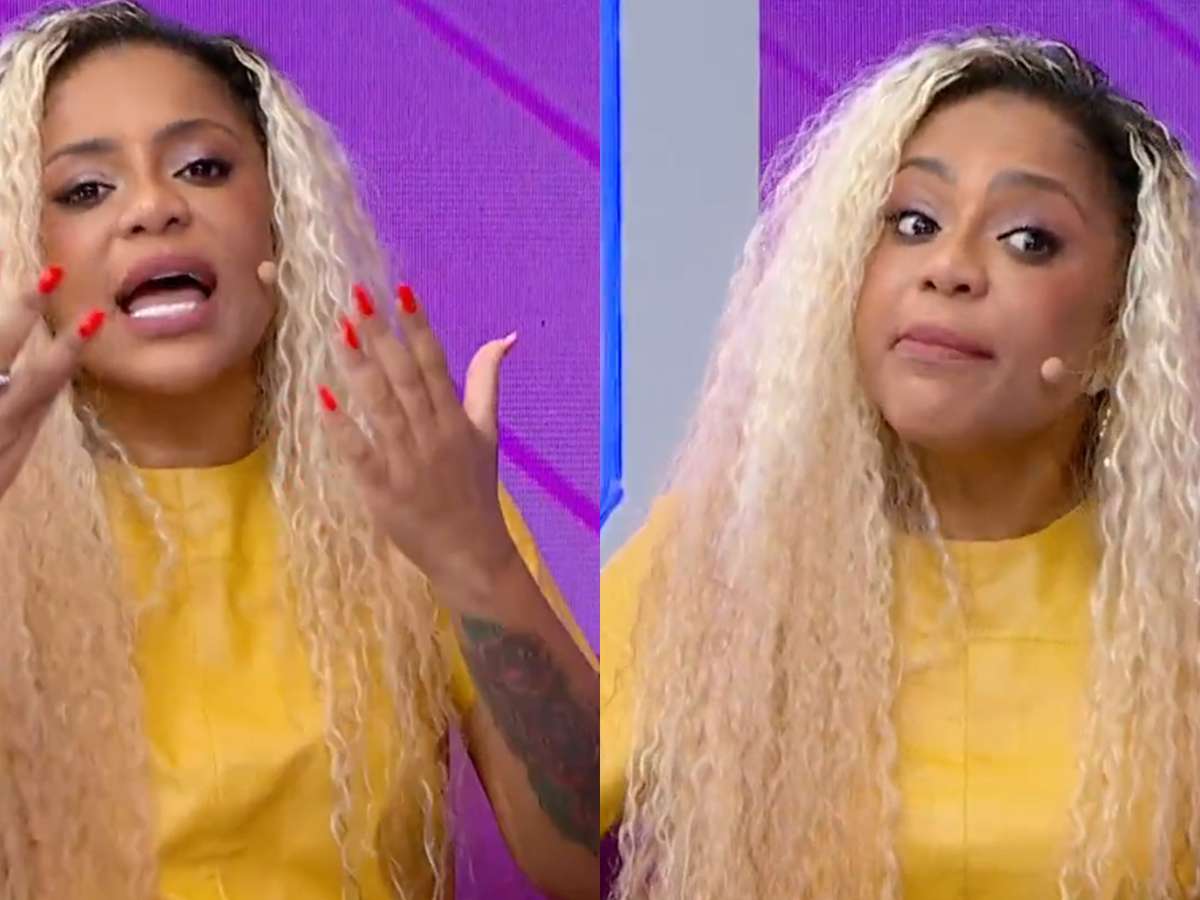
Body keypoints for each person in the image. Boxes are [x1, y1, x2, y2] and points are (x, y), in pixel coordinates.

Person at [0, 3, 599, 899]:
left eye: (203, 168)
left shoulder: (410, 494)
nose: (155, 207)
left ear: (280, 217)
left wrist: (477, 560)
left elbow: (594, 860)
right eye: (85, 190)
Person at [601, 30, 1200, 900]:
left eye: (1028, 239)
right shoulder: (723, 558)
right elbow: (543, 821)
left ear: (1119, 332)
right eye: (913, 223)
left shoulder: (1181, 598)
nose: (949, 269)